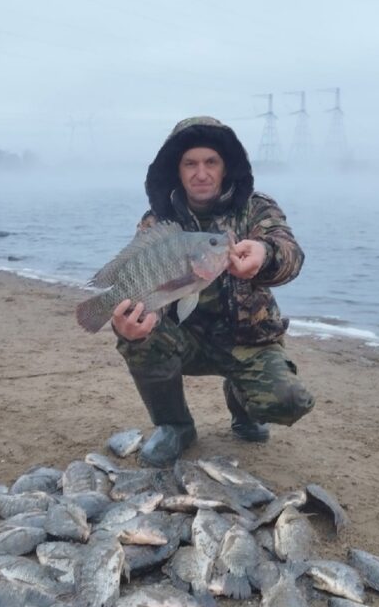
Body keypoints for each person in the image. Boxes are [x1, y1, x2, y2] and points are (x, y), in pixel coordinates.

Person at [111, 116, 315, 467]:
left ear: (225, 168)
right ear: (177, 170)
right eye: (190, 163)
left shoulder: (256, 207)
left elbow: (291, 254)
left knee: (290, 401)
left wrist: (265, 254)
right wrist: (127, 324)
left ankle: (242, 401)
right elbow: (144, 281)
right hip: (183, 340)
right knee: (137, 338)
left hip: (248, 341)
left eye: (211, 162)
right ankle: (175, 426)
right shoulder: (156, 222)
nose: (200, 173)